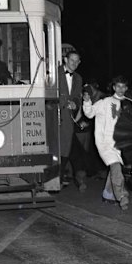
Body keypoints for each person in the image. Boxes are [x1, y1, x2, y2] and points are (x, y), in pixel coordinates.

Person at [83, 75, 132, 210]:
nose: (121, 89)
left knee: (115, 167)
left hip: (121, 143)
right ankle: (122, 195)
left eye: (123, 86)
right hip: (105, 142)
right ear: (113, 87)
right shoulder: (104, 102)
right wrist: (87, 101)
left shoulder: (130, 103)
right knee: (116, 166)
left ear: (126, 88)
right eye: (118, 86)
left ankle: (108, 193)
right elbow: (89, 113)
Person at [58, 50, 83, 187]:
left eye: (76, 61)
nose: (74, 63)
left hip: (67, 118)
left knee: (66, 147)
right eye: (71, 60)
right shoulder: (54, 73)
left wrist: (75, 103)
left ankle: (60, 177)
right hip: (54, 116)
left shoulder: (78, 78)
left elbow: (77, 97)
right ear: (65, 60)